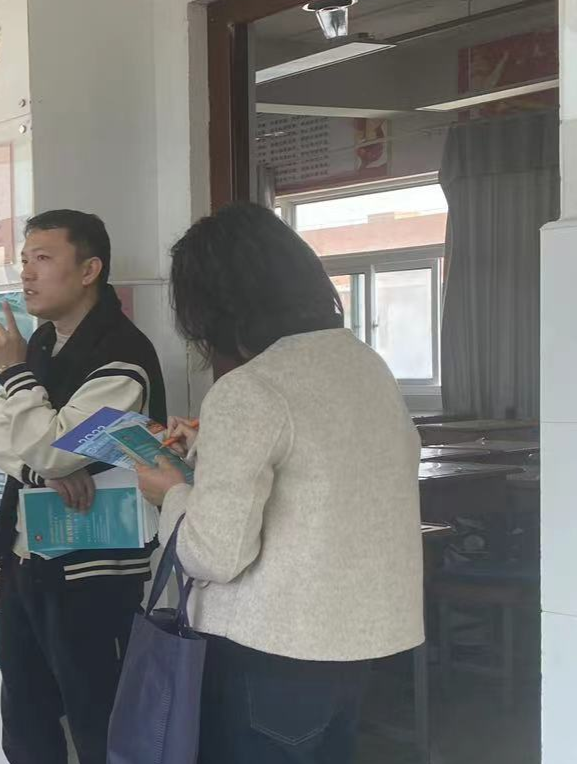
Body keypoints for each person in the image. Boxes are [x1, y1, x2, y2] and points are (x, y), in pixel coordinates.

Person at [133, 202, 423, 764]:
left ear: (216, 307)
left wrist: (171, 494)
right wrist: (210, 447)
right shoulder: (365, 364)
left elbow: (214, 555)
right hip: (358, 642)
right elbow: (326, 468)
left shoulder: (250, 388)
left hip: (269, 652)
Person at [0, 210, 166, 764]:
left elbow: (53, 447)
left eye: (43, 258)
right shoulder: (40, 343)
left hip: (92, 575)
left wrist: (15, 378)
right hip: (26, 563)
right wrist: (44, 472)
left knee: (99, 725)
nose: (26, 273)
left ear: (89, 270)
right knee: (26, 725)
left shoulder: (123, 355)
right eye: (24, 260)